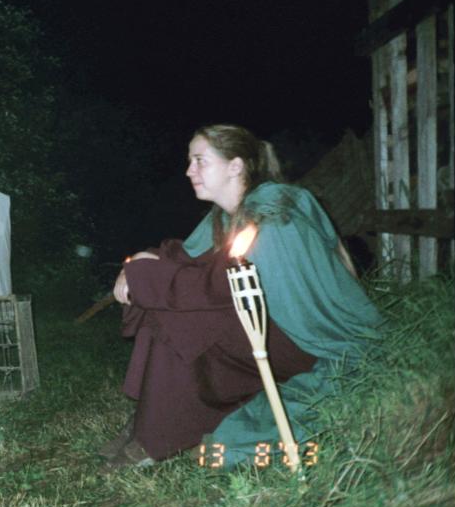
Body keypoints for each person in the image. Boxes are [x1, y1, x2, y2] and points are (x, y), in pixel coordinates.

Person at [100, 124, 383, 469]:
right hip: (266, 323)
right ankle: (155, 417)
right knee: (169, 307)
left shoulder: (275, 212)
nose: (189, 171)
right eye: (190, 161)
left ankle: (157, 436)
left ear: (235, 166)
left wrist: (145, 277)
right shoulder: (224, 216)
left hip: (304, 338)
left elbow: (222, 281)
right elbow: (188, 255)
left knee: (178, 318)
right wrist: (138, 263)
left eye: (200, 161)